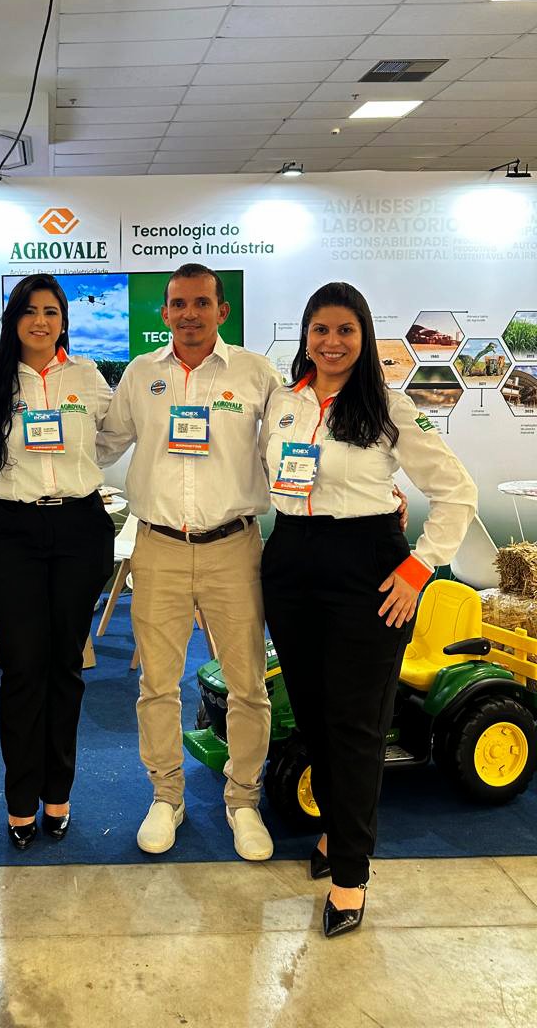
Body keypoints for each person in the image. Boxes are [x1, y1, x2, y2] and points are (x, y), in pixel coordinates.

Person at [259, 281, 476, 937]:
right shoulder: (284, 401)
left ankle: (350, 875)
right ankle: (335, 830)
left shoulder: (388, 405)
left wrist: (417, 567)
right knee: (315, 719)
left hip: (366, 570)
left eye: (345, 330)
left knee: (356, 725)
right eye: (321, 329)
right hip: (291, 561)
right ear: (306, 335)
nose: (332, 342)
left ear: (364, 337)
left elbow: (457, 492)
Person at [98, 263, 280, 861]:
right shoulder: (141, 374)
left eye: (202, 303)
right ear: (165, 313)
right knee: (157, 683)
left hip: (234, 547)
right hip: (159, 548)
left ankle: (244, 800)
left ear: (222, 311)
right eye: (179, 303)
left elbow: (294, 444)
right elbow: (102, 443)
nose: (190, 314)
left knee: (247, 684)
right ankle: (166, 796)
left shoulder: (255, 374)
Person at [0, 273, 115, 848]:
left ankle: (59, 792)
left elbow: (111, 438)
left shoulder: (87, 377)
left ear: (63, 321)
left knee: (66, 666)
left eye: (51, 311)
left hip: (80, 527)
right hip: (14, 531)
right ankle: (20, 799)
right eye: (29, 310)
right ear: (14, 319)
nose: (41, 321)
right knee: (23, 666)